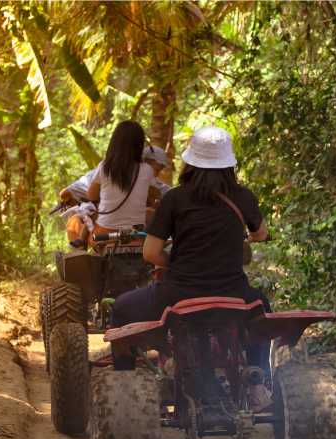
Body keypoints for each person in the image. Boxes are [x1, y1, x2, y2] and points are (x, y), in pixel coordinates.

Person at [109, 125, 272, 411]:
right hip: (234, 295)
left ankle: (126, 394)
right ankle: (258, 380)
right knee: (263, 310)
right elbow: (259, 234)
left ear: (190, 162)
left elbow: (150, 253)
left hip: (178, 295)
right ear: (228, 164)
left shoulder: (174, 198)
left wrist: (177, 260)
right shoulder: (243, 197)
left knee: (121, 308)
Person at [60, 143, 172, 244]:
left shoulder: (149, 179)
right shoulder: (105, 170)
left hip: (126, 229)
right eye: (157, 169)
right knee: (75, 221)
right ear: (144, 162)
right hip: (107, 228)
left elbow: (167, 193)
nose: (157, 174)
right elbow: (71, 192)